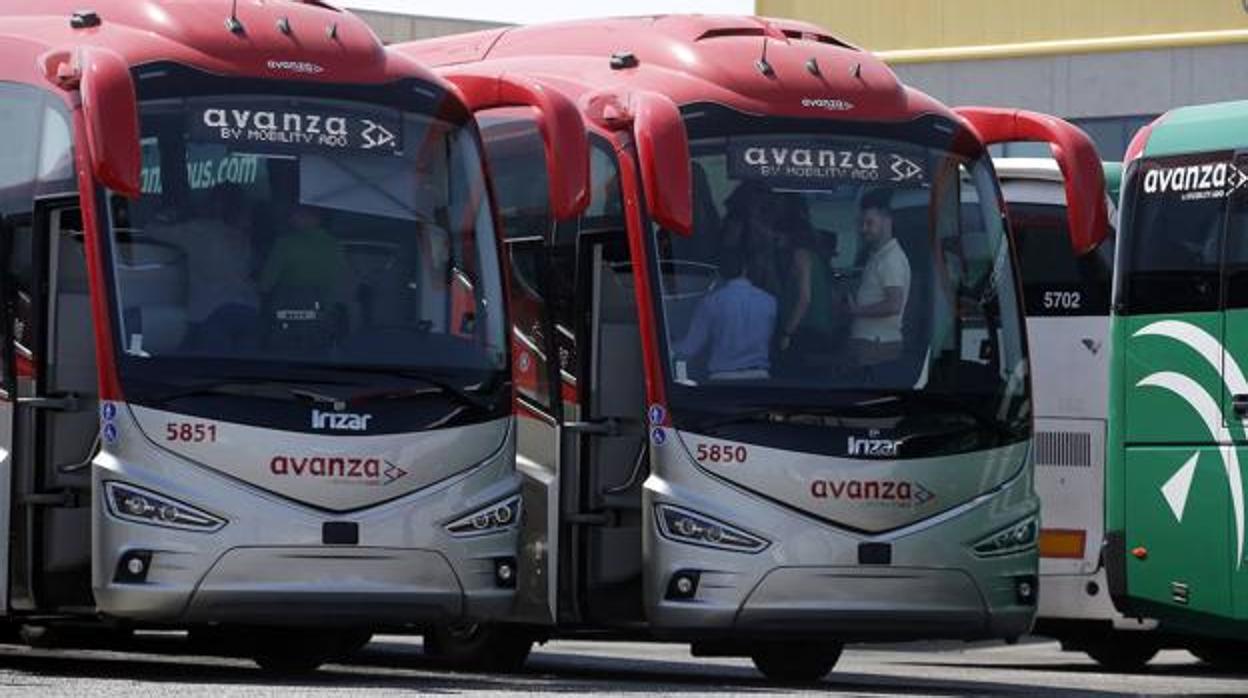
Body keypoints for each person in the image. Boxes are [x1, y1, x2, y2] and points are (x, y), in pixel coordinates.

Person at [673, 246, 777, 380]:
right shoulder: (769, 301)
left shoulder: (711, 302)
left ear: (718, 272)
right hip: (760, 378)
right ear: (745, 269)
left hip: (723, 380)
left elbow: (690, 347)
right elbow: (769, 341)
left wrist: (669, 346)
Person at [849, 188, 911, 366]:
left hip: (877, 344)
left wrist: (856, 311)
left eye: (869, 223)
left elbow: (894, 304)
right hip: (871, 341)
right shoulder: (879, 255)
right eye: (861, 223)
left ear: (887, 220)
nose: (863, 229)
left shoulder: (892, 259)